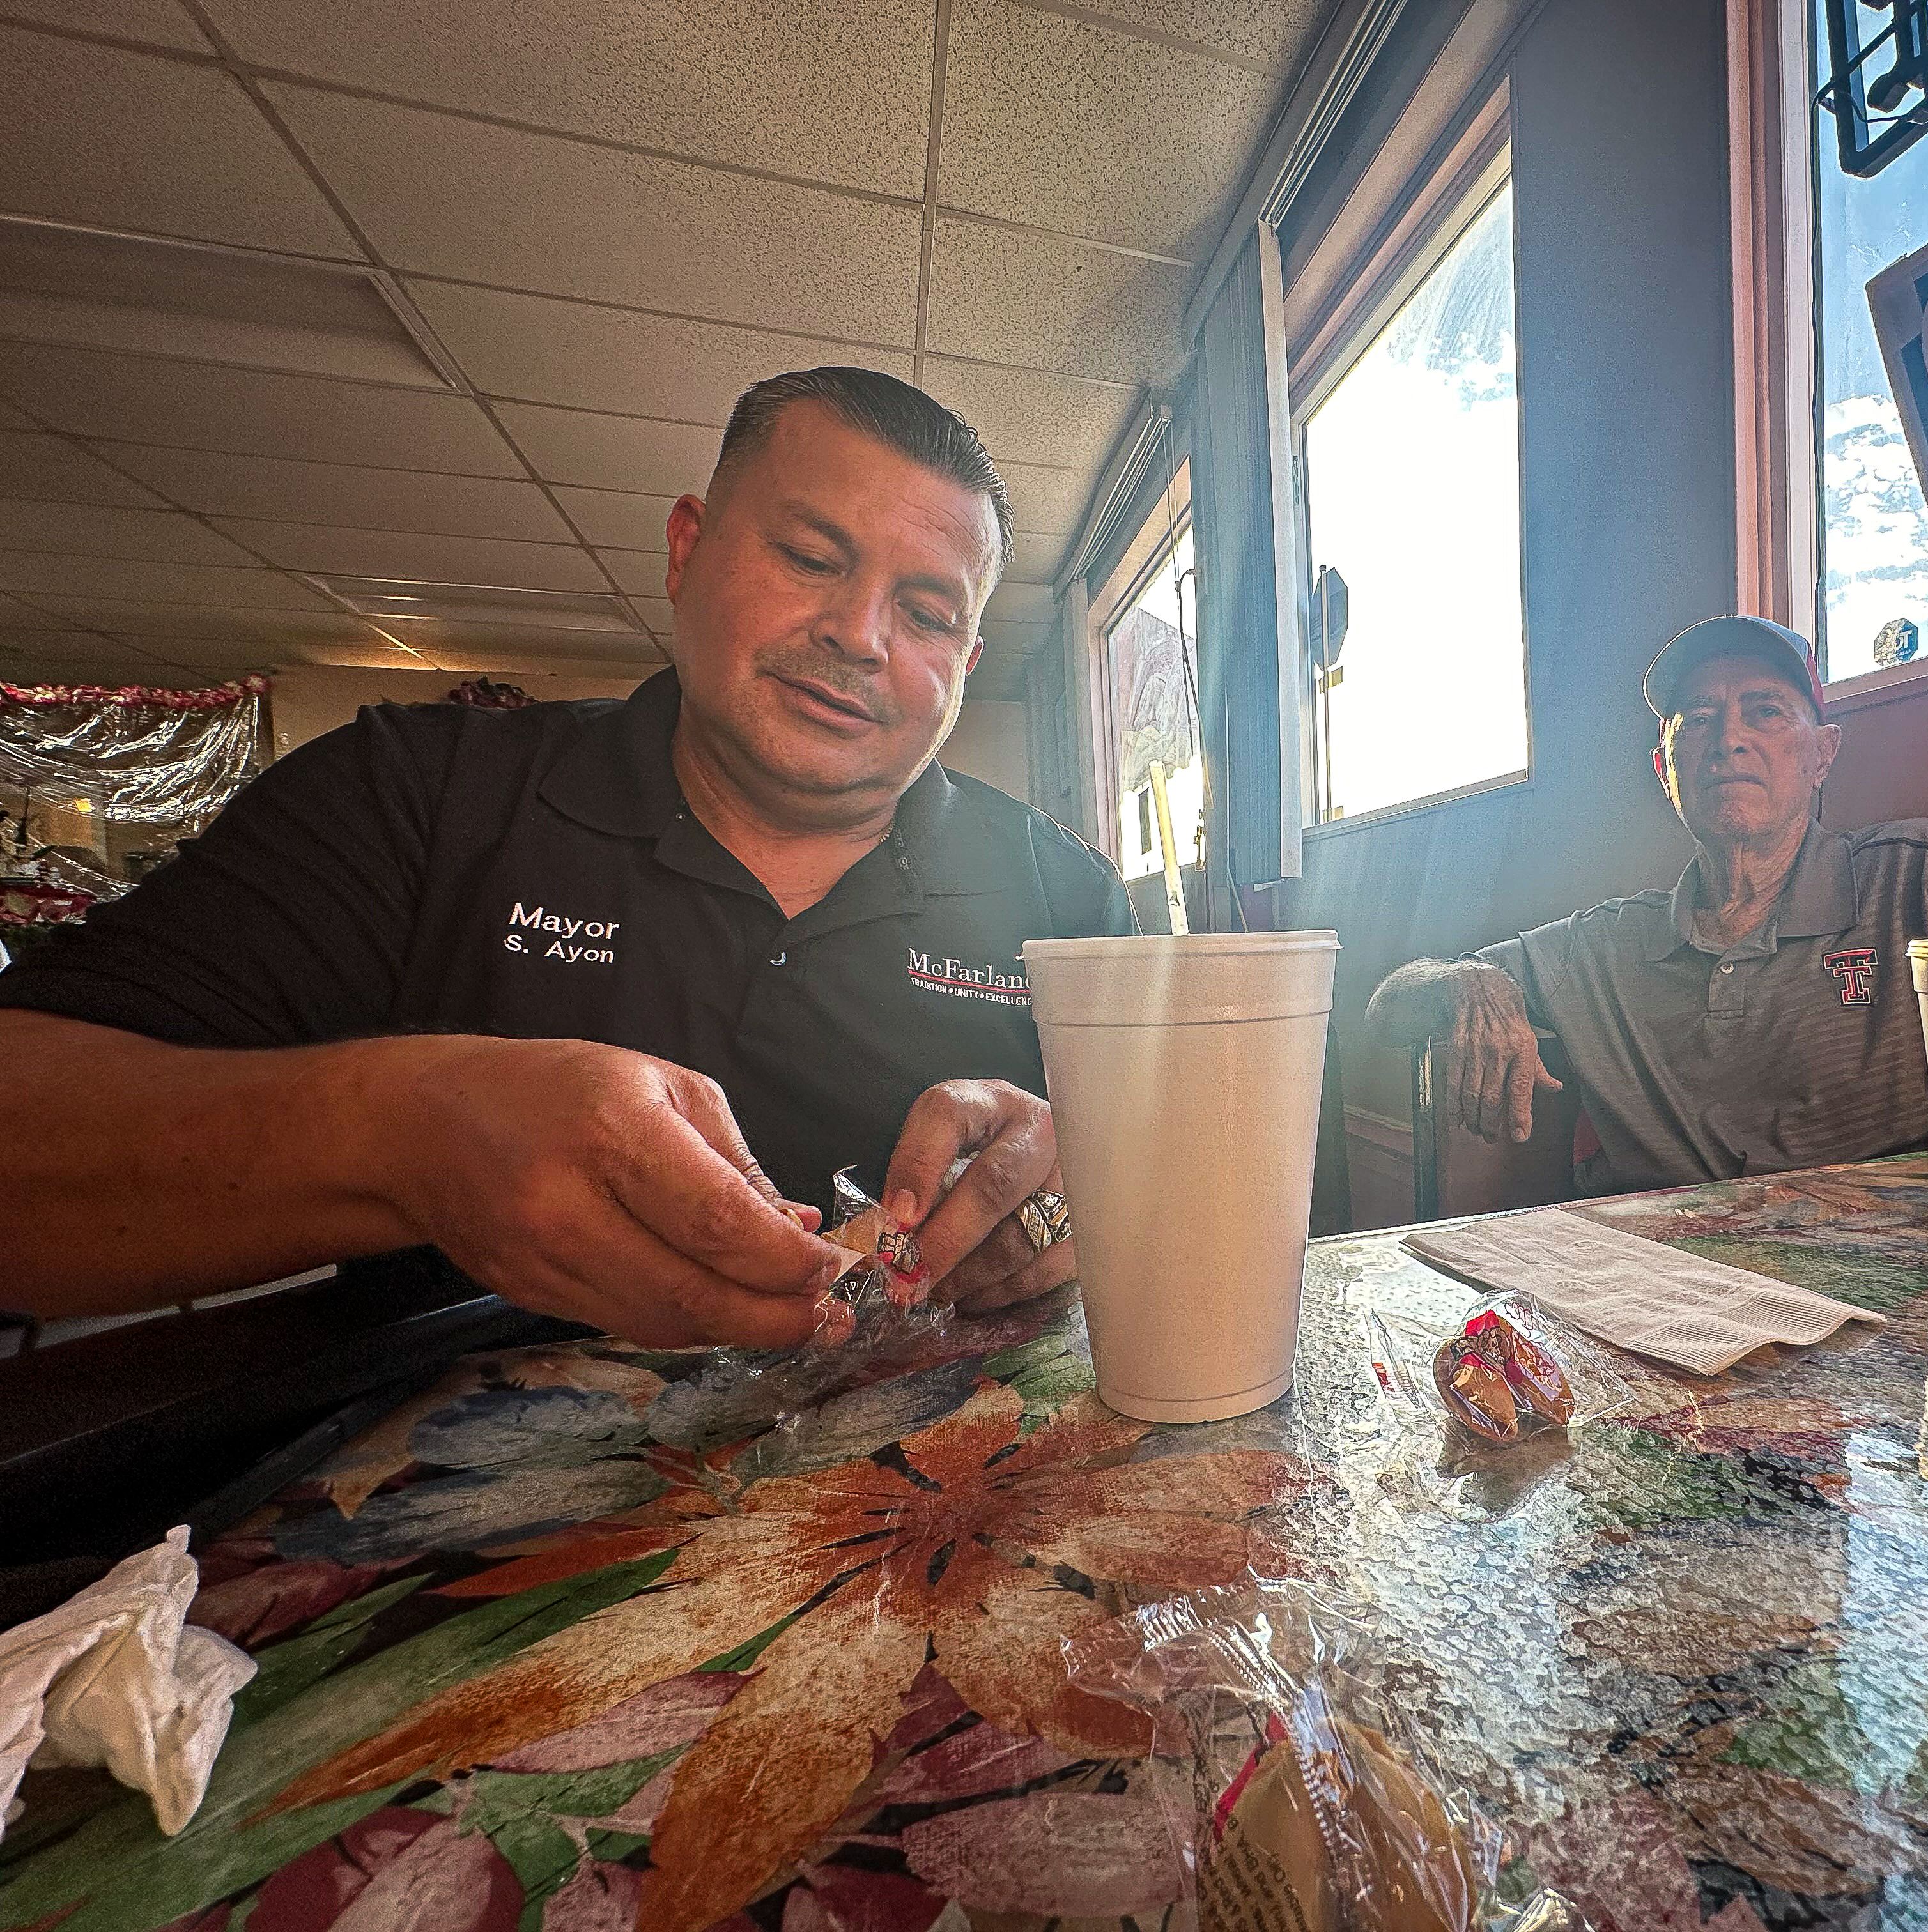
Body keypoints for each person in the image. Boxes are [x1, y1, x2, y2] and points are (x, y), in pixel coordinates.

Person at [0, 368, 1134, 1347]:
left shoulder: (1066, 893)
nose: (861, 634)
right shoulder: (417, 794)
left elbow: (1172, 1188)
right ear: (687, 549)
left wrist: (1080, 1194)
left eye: (928, 614)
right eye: (807, 557)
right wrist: (408, 1128)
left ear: (966, 662)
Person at [1369, 615, 1928, 1229]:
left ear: (1822, 754)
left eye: (1765, 711)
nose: (1728, 739)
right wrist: (1468, 983)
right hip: (1651, 1282)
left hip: (1883, 1288)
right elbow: (1388, 1005)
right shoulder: (1604, 945)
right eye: (1697, 719)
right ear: (1666, 769)